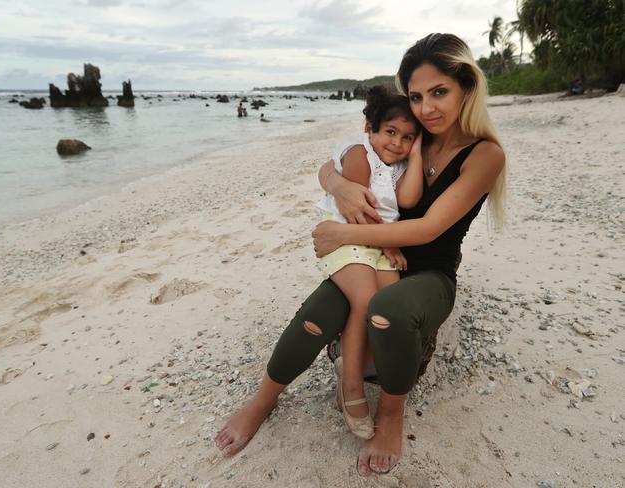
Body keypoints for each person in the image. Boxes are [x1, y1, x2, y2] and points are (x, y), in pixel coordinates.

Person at [215, 33, 506, 477]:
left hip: (430, 274)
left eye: (439, 92)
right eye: (417, 96)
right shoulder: (412, 139)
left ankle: (390, 416)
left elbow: (429, 228)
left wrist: (339, 232)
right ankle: (262, 400)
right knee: (316, 313)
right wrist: (338, 187)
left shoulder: (485, 154)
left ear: (466, 86)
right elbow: (337, 161)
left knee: (385, 309)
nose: (427, 107)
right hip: (375, 258)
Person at [314, 85, 423, 439]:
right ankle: (352, 389)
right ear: (370, 128)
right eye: (390, 132)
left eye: (408, 137)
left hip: (378, 244)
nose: (397, 143)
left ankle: (351, 366)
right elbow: (359, 208)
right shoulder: (360, 153)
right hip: (347, 239)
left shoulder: (399, 165)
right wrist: (389, 245)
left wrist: (417, 152)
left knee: (387, 310)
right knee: (364, 300)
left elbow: (408, 196)